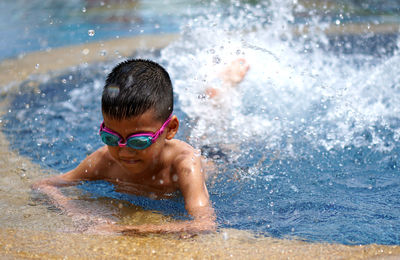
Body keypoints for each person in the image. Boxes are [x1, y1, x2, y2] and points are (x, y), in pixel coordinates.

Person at [32, 58, 249, 235]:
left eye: (138, 141)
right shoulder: (105, 160)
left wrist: (122, 229)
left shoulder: (184, 164)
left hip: (216, 158)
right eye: (111, 137)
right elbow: (43, 185)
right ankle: (216, 97)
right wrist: (75, 211)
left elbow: (205, 224)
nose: (124, 151)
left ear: (171, 129)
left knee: (213, 136)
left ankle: (226, 87)